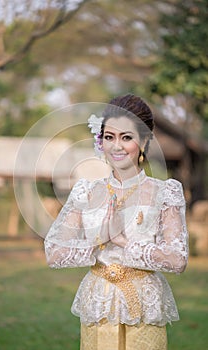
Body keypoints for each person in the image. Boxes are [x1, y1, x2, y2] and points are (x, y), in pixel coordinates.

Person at [44, 94, 189, 350]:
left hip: (144, 301)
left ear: (144, 140)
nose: (117, 146)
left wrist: (125, 242)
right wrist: (98, 237)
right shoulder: (85, 192)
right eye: (109, 137)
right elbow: (54, 252)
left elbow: (178, 259)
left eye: (127, 137)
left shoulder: (165, 193)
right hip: (99, 299)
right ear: (100, 141)